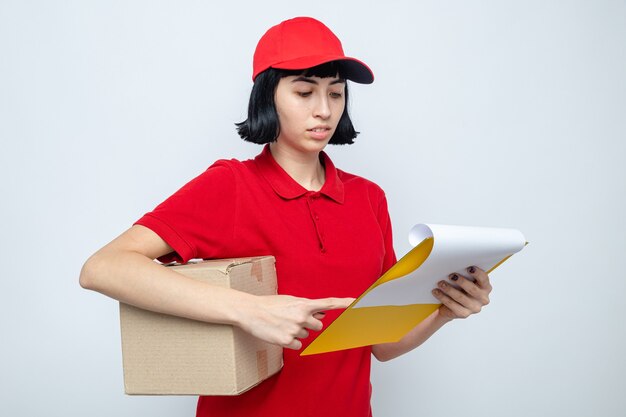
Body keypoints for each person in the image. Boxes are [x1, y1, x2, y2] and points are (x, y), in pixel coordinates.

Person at [79, 16, 492, 417]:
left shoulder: (369, 198)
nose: (324, 110)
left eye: (335, 93)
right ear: (268, 97)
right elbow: (102, 268)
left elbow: (381, 344)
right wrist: (248, 310)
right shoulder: (231, 186)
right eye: (304, 92)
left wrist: (443, 311)